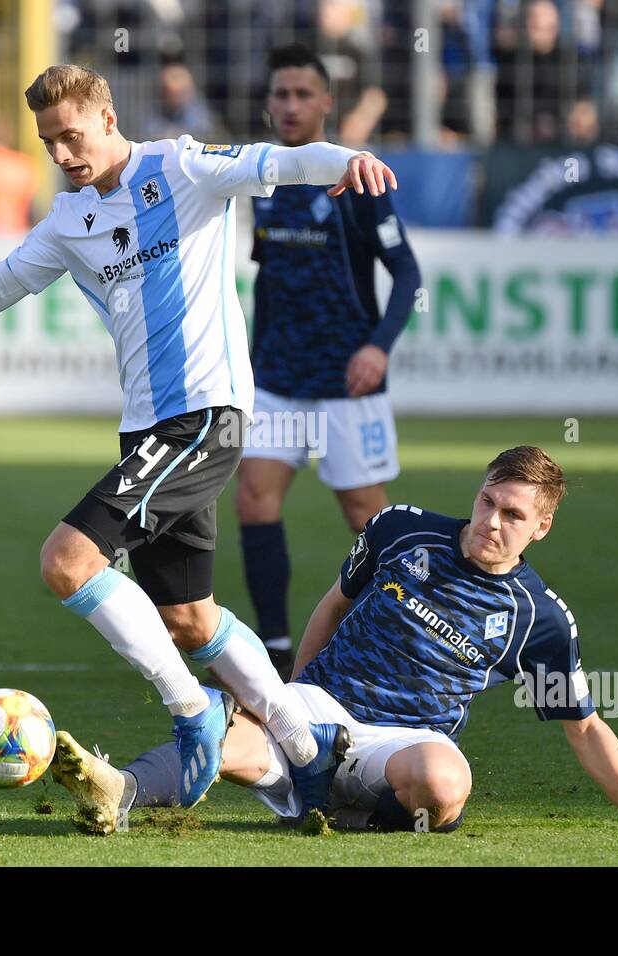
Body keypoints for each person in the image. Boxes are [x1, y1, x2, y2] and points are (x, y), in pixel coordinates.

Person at [0, 64, 400, 807]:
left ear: (105, 116)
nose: (61, 154)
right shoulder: (68, 221)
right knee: (189, 617)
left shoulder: (181, 166)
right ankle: (305, 741)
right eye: (47, 142)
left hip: (203, 415)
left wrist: (343, 161)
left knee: (67, 562)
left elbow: (282, 162)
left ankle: (194, 715)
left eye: (70, 135)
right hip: (147, 432)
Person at [50, 446, 618, 835]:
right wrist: (292, 698)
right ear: (476, 494)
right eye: (488, 502)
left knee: (446, 783)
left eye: (514, 515)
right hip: (322, 705)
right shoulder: (402, 530)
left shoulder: (537, 617)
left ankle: (350, 817)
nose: (493, 521)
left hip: (405, 742)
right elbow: (333, 605)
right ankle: (117, 790)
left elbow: (584, 727)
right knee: (225, 736)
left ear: (541, 528)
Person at [236, 44, 421, 678]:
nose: (290, 105)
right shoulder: (259, 181)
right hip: (278, 379)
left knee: (367, 520)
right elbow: (268, 278)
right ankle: (276, 649)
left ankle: (398, 644)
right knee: (255, 499)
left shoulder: (358, 177)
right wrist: (250, 357)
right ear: (267, 104)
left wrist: (377, 347)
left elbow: (407, 271)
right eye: (280, 94)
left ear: (325, 104)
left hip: (347, 380)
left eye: (302, 94)